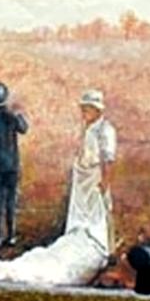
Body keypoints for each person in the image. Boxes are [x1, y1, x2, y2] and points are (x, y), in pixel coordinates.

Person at [64, 89, 117, 260]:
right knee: (80, 212)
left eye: (87, 109)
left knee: (100, 212)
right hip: (82, 177)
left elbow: (108, 159)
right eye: (83, 109)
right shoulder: (88, 128)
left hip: (95, 176)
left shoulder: (105, 130)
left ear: (97, 110)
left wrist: (105, 181)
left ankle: (105, 250)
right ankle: (78, 244)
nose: (83, 113)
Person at [0, 81, 29, 247]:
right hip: (12, 164)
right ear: (5, 97)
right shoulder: (11, 116)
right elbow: (24, 129)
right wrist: (19, 114)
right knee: (11, 201)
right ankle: (11, 236)